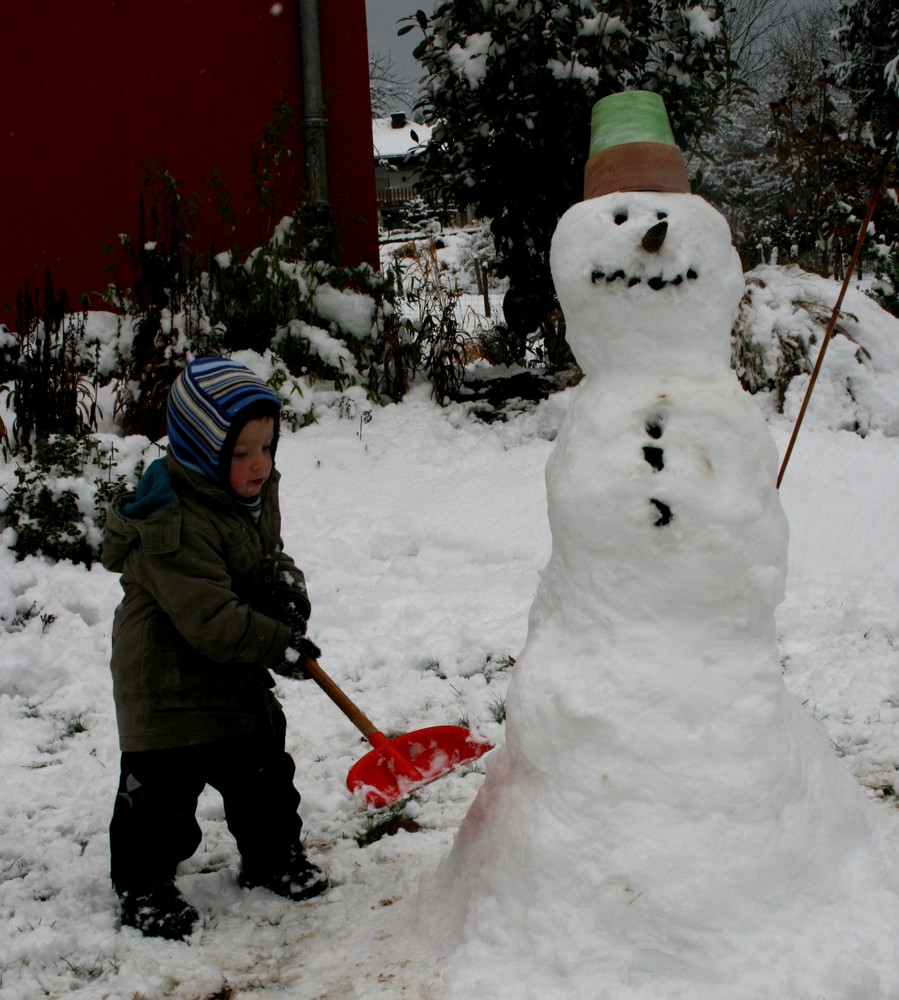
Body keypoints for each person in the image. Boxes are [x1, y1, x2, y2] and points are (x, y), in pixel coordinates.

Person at [102, 357, 328, 941]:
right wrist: (278, 644)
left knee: (263, 776)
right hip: (167, 687)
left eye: (267, 447)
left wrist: (286, 593)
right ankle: (144, 886)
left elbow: (267, 554)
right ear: (204, 451)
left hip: (230, 673)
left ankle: (273, 856)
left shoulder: (247, 493)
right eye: (242, 453)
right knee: (160, 805)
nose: (259, 465)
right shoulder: (171, 523)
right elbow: (209, 617)